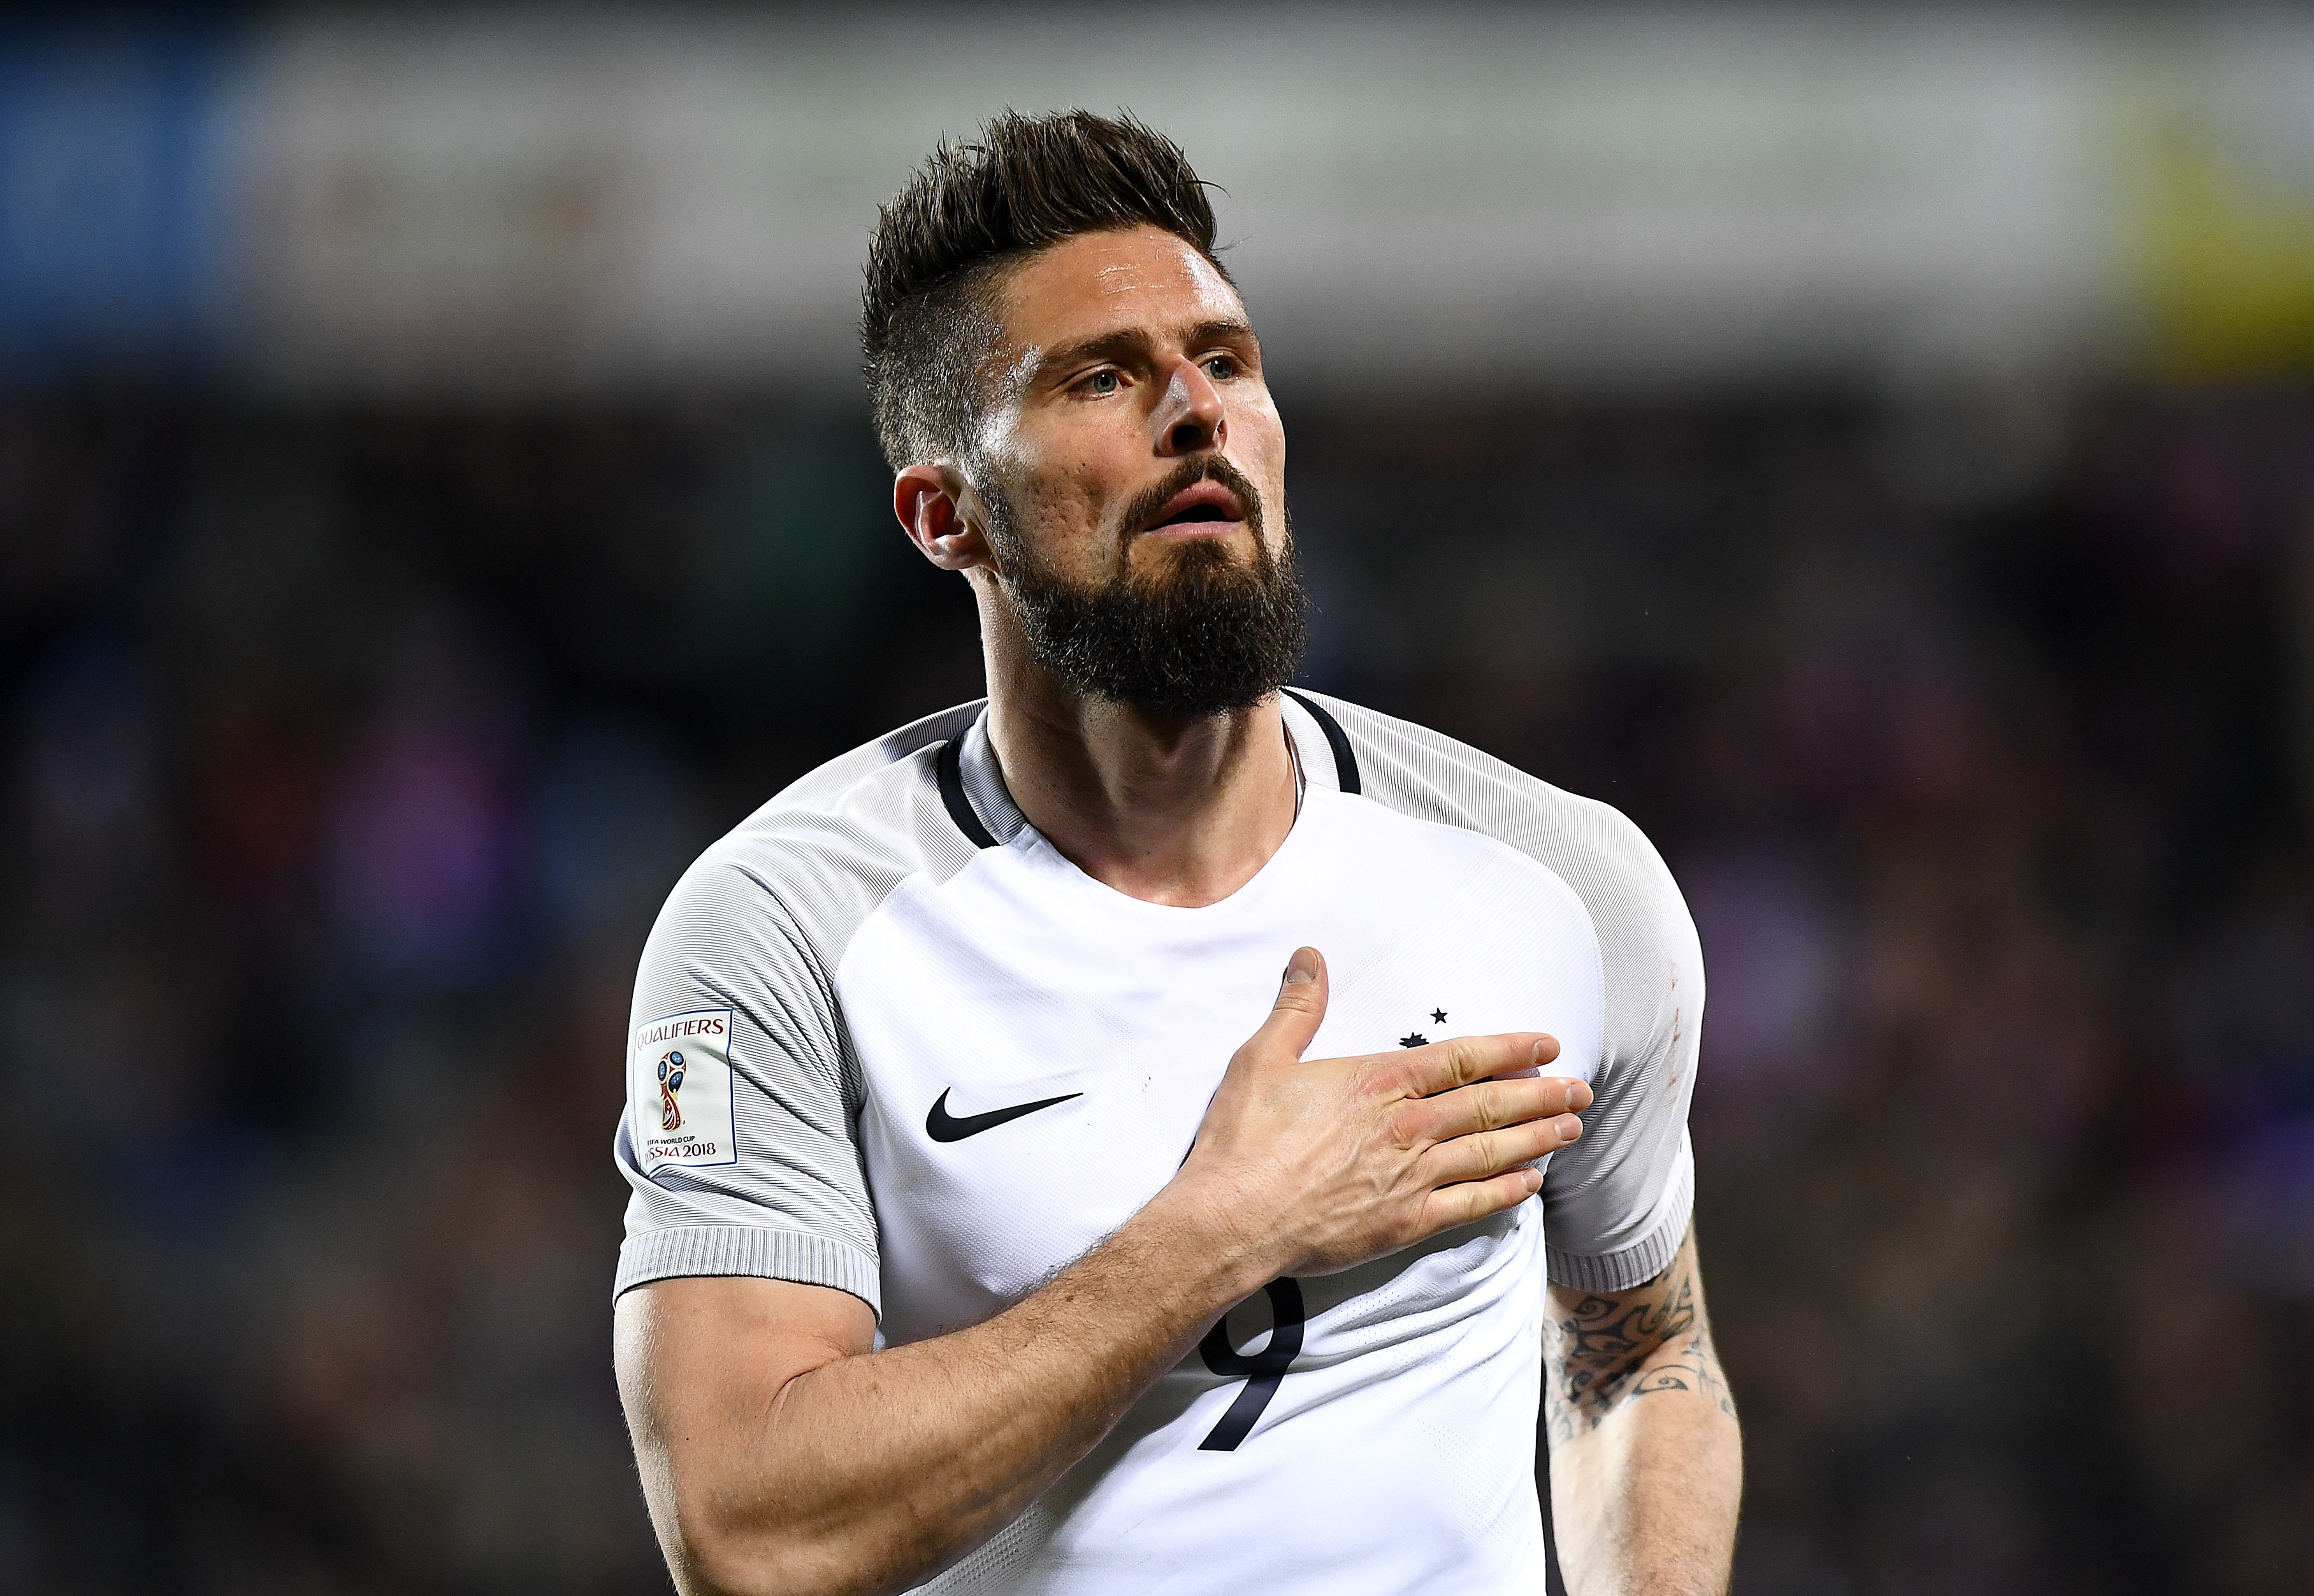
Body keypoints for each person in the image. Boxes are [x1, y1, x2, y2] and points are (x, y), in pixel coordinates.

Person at [611, 110, 1741, 1596]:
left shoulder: (1557, 883)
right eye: (1102, 377)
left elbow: (1637, 1349)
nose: (1195, 411)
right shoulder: (784, 928)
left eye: (1225, 359)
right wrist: (1226, 1223)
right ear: (944, 514)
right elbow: (747, 1530)